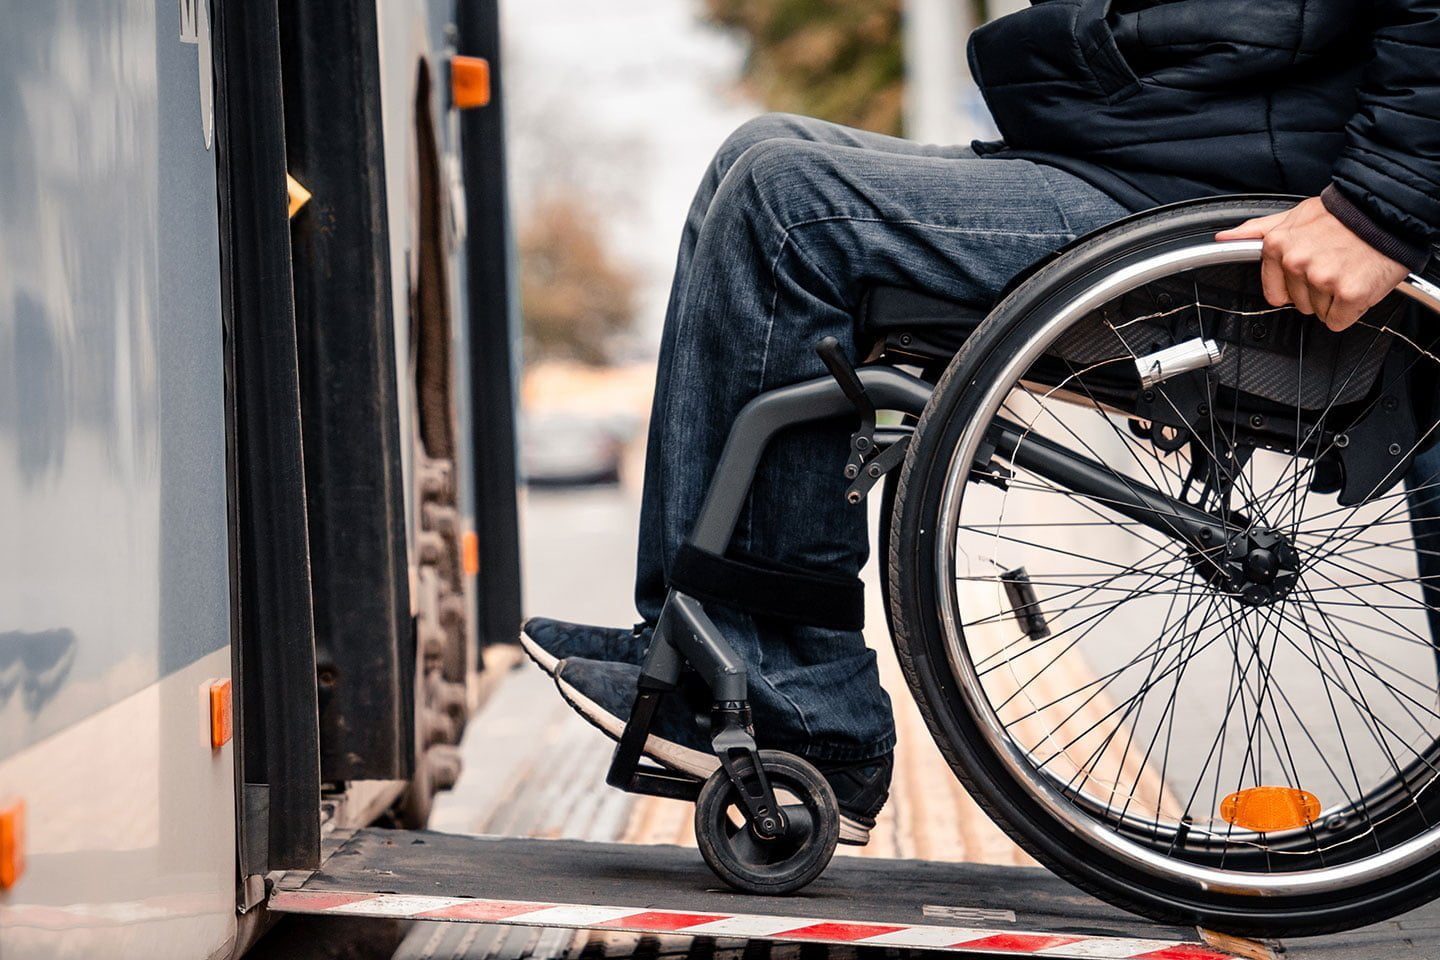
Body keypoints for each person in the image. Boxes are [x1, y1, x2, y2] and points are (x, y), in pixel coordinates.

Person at [521, 0, 1439, 845]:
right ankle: (693, 649)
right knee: (755, 152)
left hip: (1253, 192)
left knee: (790, 209)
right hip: (1172, 145)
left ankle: (797, 703)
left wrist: (1379, 207)